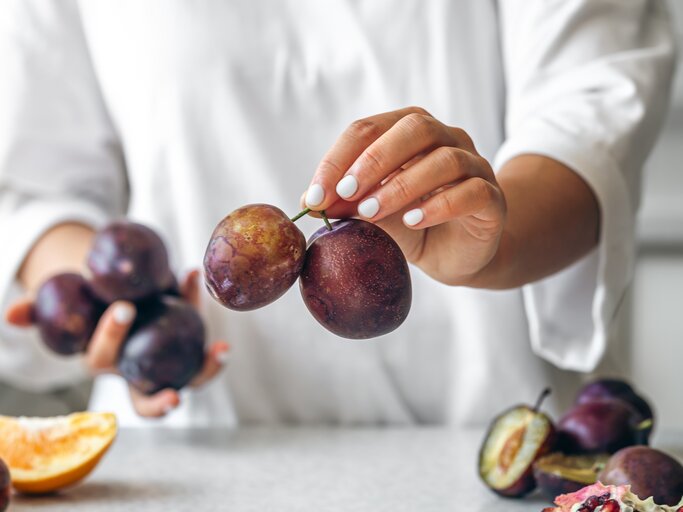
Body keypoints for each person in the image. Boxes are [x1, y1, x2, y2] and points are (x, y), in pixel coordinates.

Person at [0, 1, 675, 427]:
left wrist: (489, 239)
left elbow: (590, 122)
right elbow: (33, 181)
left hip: (488, 440)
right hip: (200, 447)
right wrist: (124, 312)